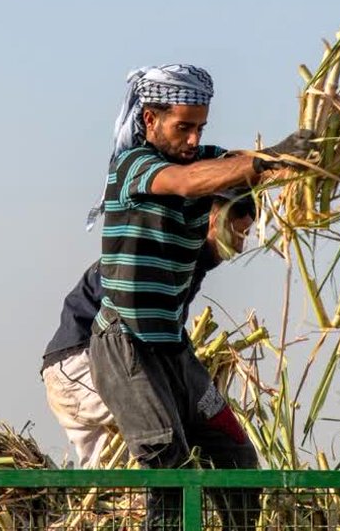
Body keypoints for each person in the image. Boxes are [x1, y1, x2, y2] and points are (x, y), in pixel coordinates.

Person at [86, 64, 312, 530]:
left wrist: (338, 152)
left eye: (200, 128)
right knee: (169, 470)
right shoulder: (134, 167)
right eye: (182, 127)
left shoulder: (205, 162)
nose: (192, 140)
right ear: (149, 120)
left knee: (237, 457)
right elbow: (190, 183)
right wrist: (265, 162)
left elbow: (233, 171)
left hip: (173, 349)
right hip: (126, 346)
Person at [41, 191, 256, 468]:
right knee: (161, 437)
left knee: (118, 481)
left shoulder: (192, 264)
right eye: (237, 233)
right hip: (80, 363)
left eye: (246, 235)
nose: (240, 247)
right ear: (213, 217)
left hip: (124, 362)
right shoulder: (164, 247)